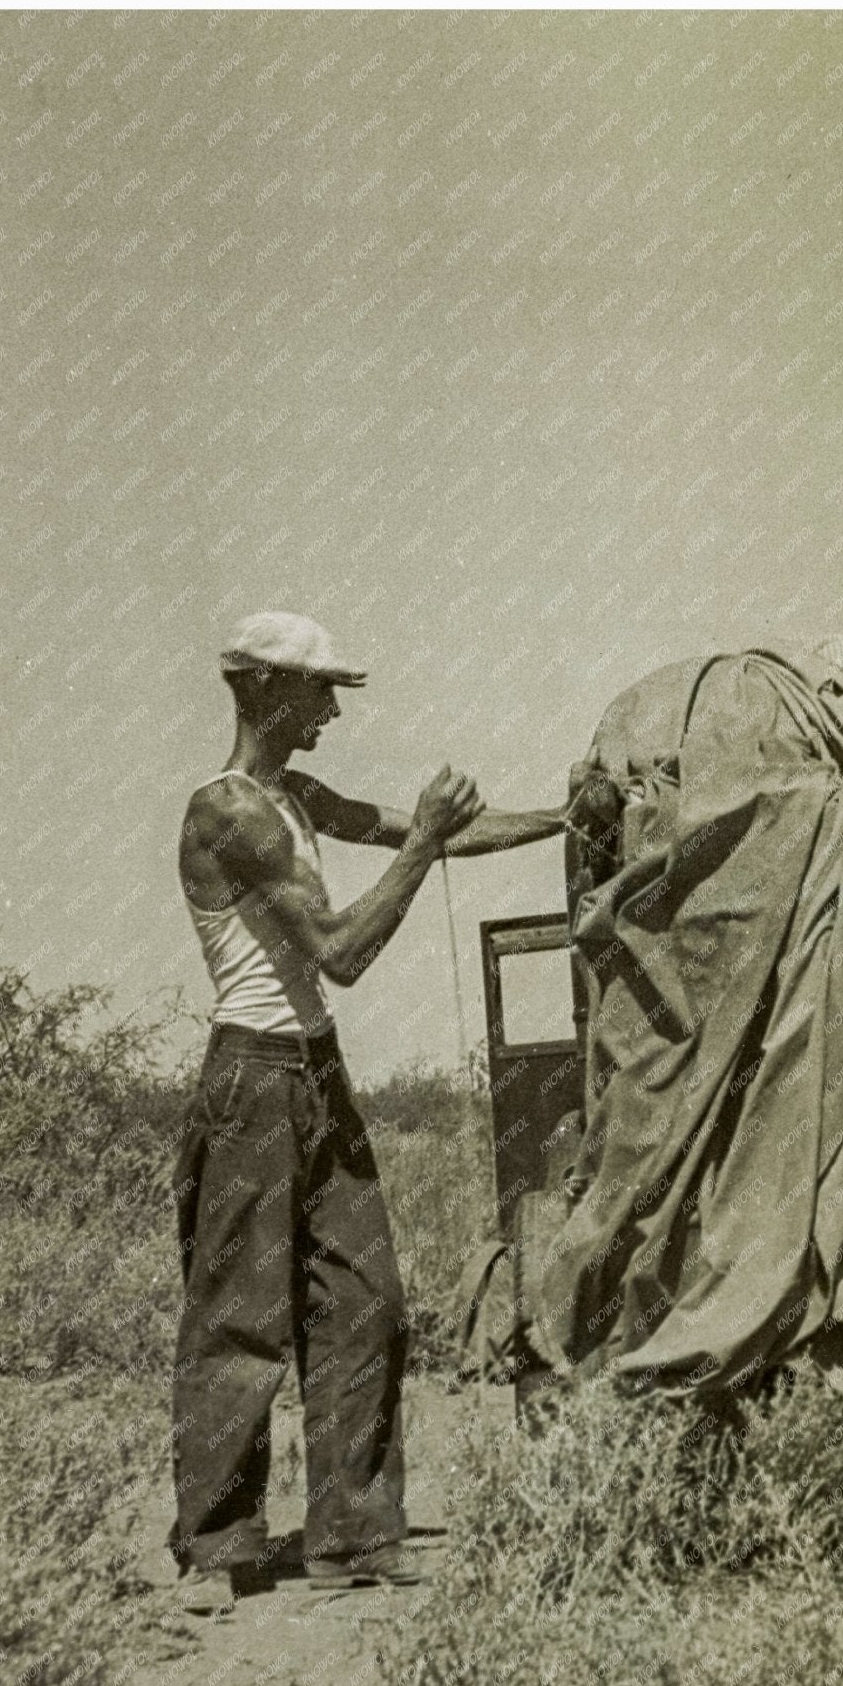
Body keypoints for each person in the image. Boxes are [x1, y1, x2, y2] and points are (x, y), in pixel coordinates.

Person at [172, 611, 567, 1613]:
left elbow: (434, 835)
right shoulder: (230, 812)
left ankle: (353, 1533)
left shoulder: (293, 797)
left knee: (366, 1303)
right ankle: (217, 1545)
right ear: (263, 690)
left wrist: (568, 817)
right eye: (318, 690)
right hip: (253, 1078)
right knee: (242, 1319)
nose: (334, 709)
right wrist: (428, 839)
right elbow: (341, 950)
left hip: (314, 1072)